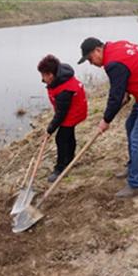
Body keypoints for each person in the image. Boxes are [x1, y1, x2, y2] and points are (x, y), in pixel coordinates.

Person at [78, 38, 138, 198]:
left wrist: (105, 121)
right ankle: (134, 166)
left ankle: (136, 184)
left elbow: (115, 97)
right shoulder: (116, 46)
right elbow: (129, 73)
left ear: (97, 51)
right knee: (130, 126)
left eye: (90, 59)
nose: (91, 63)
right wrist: (126, 93)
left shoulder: (113, 63)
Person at [37, 54, 88, 182]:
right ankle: (70, 160)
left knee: (61, 138)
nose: (42, 79)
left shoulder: (64, 91)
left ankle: (60, 169)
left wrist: (50, 129)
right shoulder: (59, 76)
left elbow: (61, 114)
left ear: (51, 75)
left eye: (43, 75)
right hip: (72, 109)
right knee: (68, 136)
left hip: (73, 112)